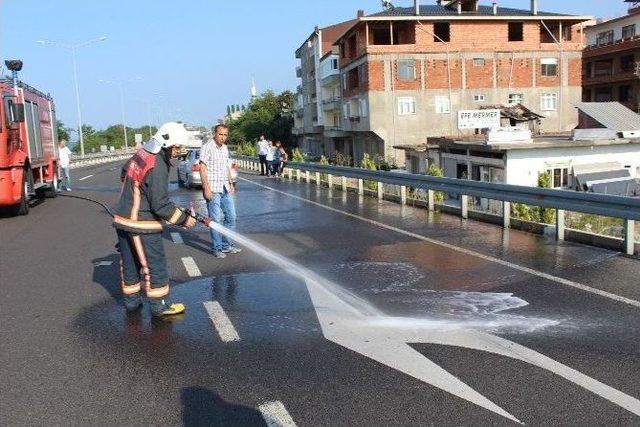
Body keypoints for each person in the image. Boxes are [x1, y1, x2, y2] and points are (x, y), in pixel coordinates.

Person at [113, 122, 196, 317]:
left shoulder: (141, 154)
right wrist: (184, 219)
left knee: (131, 265)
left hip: (123, 220)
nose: (178, 152)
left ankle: (132, 303)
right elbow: (159, 204)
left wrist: (135, 195)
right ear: (167, 144)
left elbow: (124, 174)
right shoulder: (157, 162)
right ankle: (160, 306)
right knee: (155, 264)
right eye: (177, 148)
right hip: (142, 224)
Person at [199, 124, 242, 258]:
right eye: (220, 134)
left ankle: (227, 245)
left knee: (231, 217)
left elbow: (226, 167)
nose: (223, 137)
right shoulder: (207, 147)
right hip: (213, 188)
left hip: (225, 187)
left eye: (225, 135)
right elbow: (202, 168)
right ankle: (217, 248)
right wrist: (206, 188)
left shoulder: (225, 148)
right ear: (214, 134)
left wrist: (231, 183)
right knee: (216, 219)